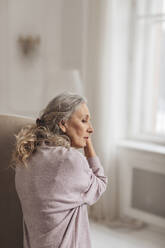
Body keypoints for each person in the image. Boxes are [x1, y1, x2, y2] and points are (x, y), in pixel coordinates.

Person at [13, 92, 108, 248]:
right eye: (84, 121)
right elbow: (101, 184)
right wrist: (88, 144)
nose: (91, 129)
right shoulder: (70, 160)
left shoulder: (25, 154)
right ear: (63, 124)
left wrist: (83, 135)